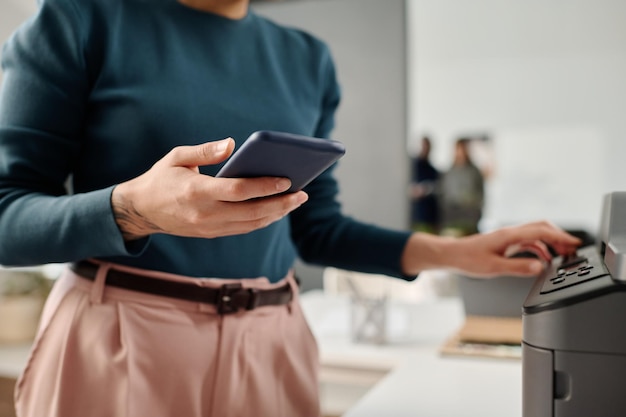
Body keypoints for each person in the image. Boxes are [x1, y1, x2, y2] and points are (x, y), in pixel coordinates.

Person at [0, 0, 581, 416]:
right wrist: (131, 209)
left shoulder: (306, 59)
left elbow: (317, 227)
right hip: (120, 343)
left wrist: (457, 252)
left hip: (273, 343)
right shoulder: (78, 18)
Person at [439, 138, 486, 236]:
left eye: (462, 149)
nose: (460, 152)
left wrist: (476, 212)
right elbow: (444, 194)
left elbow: (480, 194)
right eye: (458, 149)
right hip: (452, 216)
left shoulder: (474, 171)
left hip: (470, 217)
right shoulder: (449, 172)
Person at [409, 135, 441, 233]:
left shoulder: (433, 171)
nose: (424, 149)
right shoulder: (410, 168)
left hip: (429, 216)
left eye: (426, 147)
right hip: (414, 214)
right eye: (422, 146)